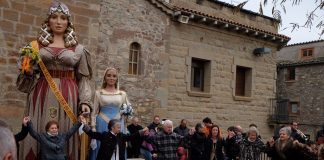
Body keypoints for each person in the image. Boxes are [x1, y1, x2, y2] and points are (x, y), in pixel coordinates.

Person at [16, 1, 92, 159]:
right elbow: (25, 81)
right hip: (41, 92)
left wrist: (85, 101)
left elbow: (84, 78)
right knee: (37, 128)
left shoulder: (78, 49)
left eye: (63, 18)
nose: (59, 21)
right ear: (48, 20)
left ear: (68, 22)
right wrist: (27, 70)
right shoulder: (34, 46)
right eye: (55, 17)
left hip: (68, 93)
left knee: (66, 129)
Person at [90, 67, 132, 160]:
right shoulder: (98, 93)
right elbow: (94, 111)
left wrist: (126, 114)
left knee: (117, 146)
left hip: (118, 123)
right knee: (102, 146)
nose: (111, 78)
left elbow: (128, 109)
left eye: (114, 76)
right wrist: (93, 127)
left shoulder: (122, 94)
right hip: (102, 121)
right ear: (104, 77)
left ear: (117, 78)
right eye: (108, 76)